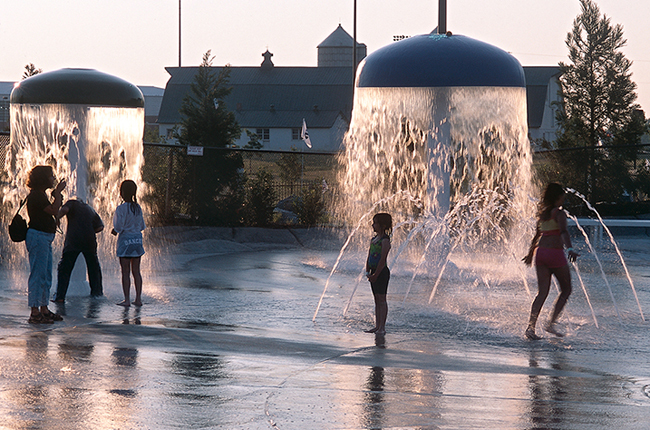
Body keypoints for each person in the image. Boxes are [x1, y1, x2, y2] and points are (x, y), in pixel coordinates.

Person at [523, 183, 579, 340]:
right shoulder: (559, 214)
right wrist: (569, 249)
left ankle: (530, 328)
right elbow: (563, 232)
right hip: (555, 254)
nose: (564, 199)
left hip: (540, 254)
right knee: (566, 290)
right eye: (562, 197)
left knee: (542, 293)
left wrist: (529, 255)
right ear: (557, 197)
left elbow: (536, 236)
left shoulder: (542, 214)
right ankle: (550, 324)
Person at [24, 165, 66, 324]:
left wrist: (56, 194)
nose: (53, 178)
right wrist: (59, 194)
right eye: (50, 176)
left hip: (44, 238)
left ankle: (44, 308)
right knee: (38, 274)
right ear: (42, 179)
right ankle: (34, 312)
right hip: (38, 237)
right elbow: (54, 210)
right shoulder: (37, 196)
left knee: (46, 274)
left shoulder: (41, 195)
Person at [53, 198, 104, 302]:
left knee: (65, 268)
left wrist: (56, 218)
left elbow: (65, 210)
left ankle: (60, 297)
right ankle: (97, 295)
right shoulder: (90, 209)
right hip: (89, 240)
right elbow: (100, 227)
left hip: (74, 239)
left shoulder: (72, 203)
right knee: (93, 267)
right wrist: (87, 229)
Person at [112, 180, 146, 307]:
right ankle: (138, 299)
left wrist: (115, 231)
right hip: (137, 241)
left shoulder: (121, 208)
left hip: (125, 242)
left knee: (125, 272)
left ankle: (126, 300)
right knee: (136, 271)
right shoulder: (138, 208)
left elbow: (119, 226)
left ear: (121, 193)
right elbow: (142, 226)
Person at [365, 213, 392, 335]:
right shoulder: (373, 239)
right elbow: (369, 256)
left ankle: (382, 327)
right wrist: (367, 271)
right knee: (376, 300)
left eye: (375, 223)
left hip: (381, 273)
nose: (373, 225)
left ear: (383, 225)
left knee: (382, 299)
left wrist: (376, 274)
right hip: (373, 271)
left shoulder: (385, 240)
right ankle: (377, 326)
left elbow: (382, 259)